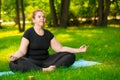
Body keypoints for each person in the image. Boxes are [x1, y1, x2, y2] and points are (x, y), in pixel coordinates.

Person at [9, 10, 88, 72]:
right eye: (39, 17)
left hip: (46, 61)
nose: (42, 19)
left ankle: (53, 68)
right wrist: (15, 56)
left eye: (43, 17)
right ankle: (43, 70)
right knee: (14, 63)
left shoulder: (48, 34)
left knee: (70, 55)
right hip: (32, 61)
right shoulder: (28, 33)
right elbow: (22, 51)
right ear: (34, 20)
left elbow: (60, 49)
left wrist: (79, 50)